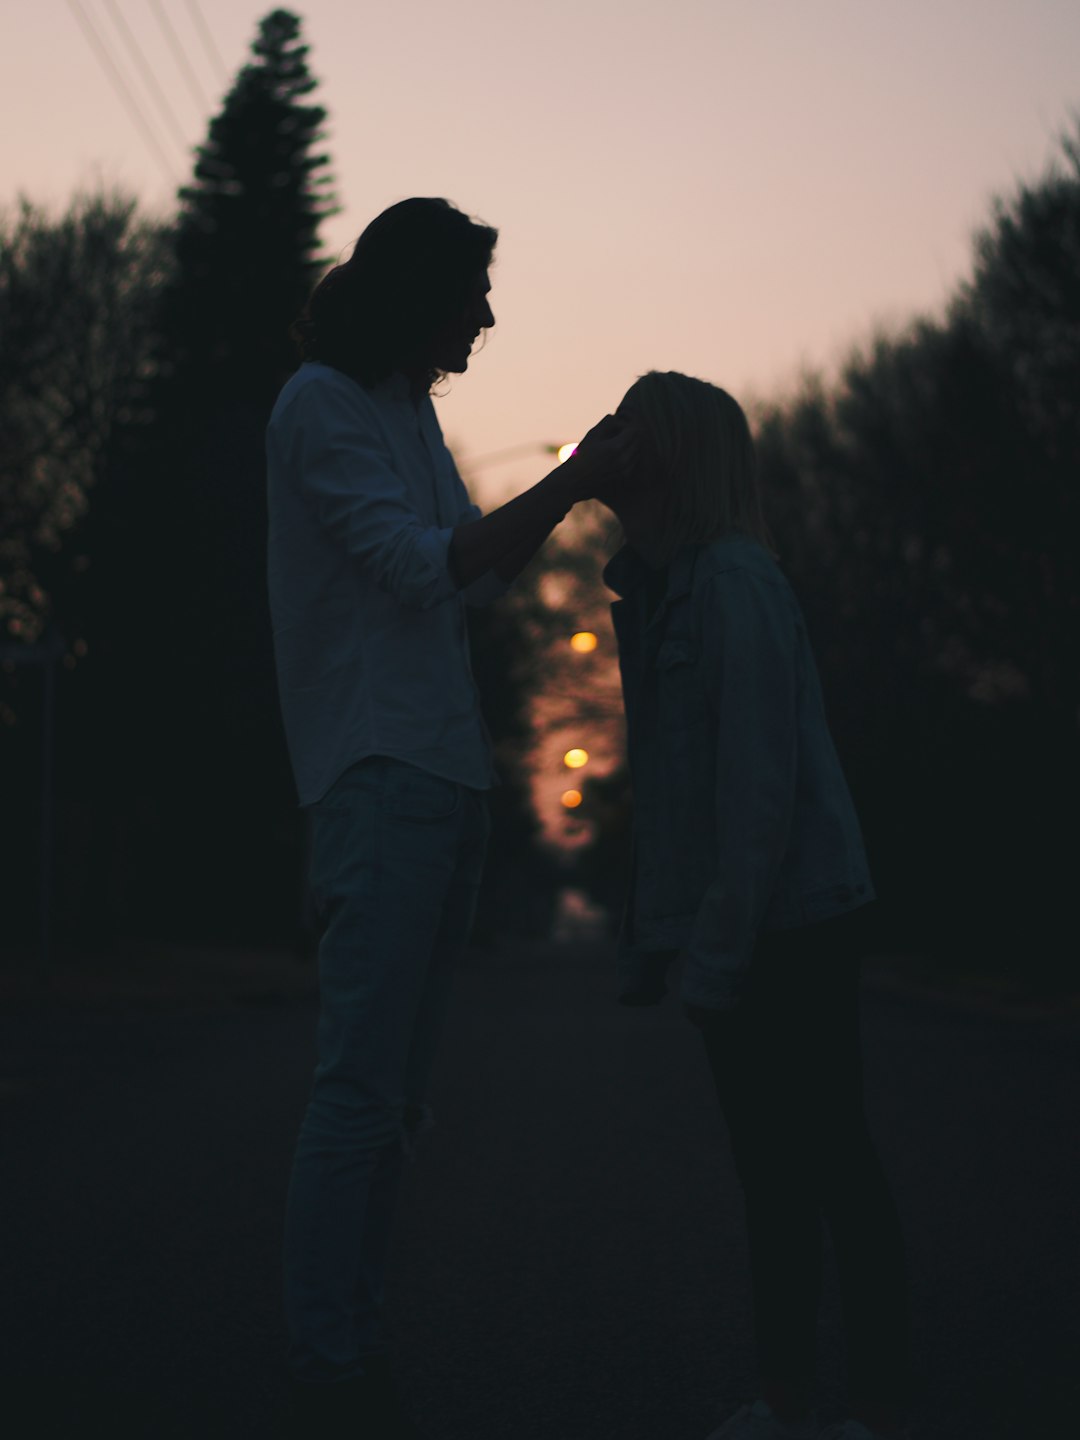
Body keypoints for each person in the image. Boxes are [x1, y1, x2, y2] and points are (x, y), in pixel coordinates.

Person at [265, 196, 631, 1439]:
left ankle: (350, 1341)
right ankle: (326, 1364)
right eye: (470, 290)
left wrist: (552, 503)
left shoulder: (404, 411)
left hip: (442, 781)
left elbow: (464, 571)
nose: (486, 313)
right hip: (378, 777)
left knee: (396, 1103)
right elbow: (430, 566)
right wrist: (573, 481)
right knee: (360, 1093)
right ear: (416, 289)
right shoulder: (320, 405)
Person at [594, 371, 911, 1440]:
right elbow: (671, 785)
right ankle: (784, 1401)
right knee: (773, 1174)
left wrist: (717, 952)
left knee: (830, 1163)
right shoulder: (664, 590)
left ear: (681, 454)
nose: (618, 449)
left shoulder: (734, 583)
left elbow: (757, 786)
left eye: (638, 434)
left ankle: (874, 1407)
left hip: (798, 915)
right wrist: (658, 943)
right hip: (747, 918)